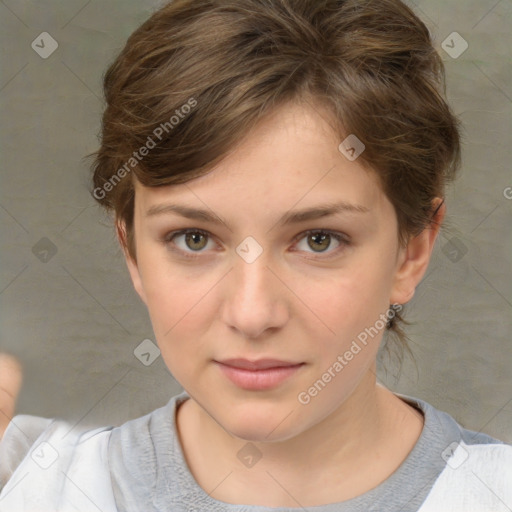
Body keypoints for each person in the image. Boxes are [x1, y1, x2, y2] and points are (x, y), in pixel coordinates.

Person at [1, 0, 511, 510]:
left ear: (412, 252)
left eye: (318, 240)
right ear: (131, 251)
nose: (252, 314)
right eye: (194, 239)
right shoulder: (29, 484)